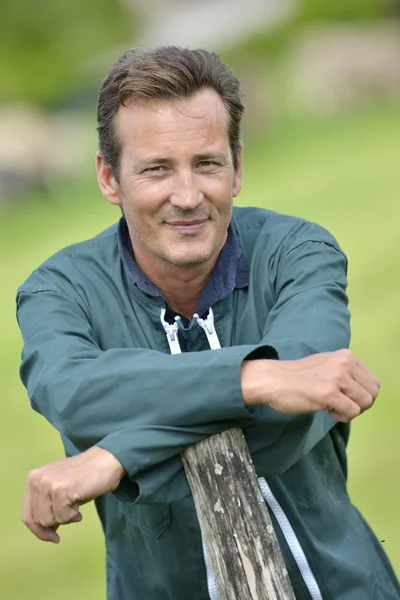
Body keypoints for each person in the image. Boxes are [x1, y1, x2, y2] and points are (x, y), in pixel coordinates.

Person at [17, 47, 399, 600]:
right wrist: (259, 380)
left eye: (207, 163)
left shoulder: (299, 252)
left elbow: (293, 420)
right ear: (109, 177)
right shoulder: (60, 291)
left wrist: (116, 457)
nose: (188, 196)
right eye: (156, 169)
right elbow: (75, 394)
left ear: (237, 167)